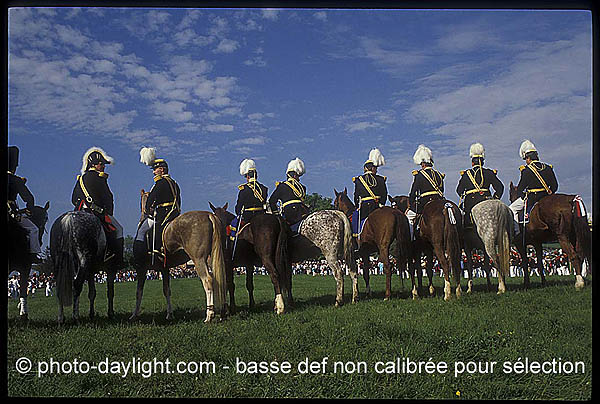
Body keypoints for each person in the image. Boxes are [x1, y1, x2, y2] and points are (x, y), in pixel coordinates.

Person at [72, 146, 124, 268]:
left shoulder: (80, 179)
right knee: (118, 229)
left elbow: (73, 198)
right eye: (101, 164)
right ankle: (115, 258)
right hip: (97, 212)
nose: (103, 166)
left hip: (80, 211)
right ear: (94, 165)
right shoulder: (100, 178)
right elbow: (108, 197)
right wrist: (109, 212)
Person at [135, 147, 181, 264]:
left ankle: (150, 253)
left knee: (142, 230)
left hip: (163, 213)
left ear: (161, 169)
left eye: (155, 169)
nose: (153, 172)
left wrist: (147, 210)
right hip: (174, 212)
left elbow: (151, 198)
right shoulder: (174, 183)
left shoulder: (160, 182)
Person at [509, 139, 558, 235]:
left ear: (528, 158)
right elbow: (555, 186)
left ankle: (517, 232)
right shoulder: (548, 167)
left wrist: (523, 195)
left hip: (532, 198)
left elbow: (520, 188)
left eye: (525, 159)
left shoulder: (526, 170)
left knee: (512, 209)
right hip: (546, 197)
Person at [456, 142, 504, 229]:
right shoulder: (489, 173)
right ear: (482, 162)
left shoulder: (466, 174)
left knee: (463, 222)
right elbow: (500, 187)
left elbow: (459, 191)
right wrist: (495, 198)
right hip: (486, 200)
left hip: (471, 203)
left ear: (472, 163)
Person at [7, 146, 42, 262]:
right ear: (14, 166)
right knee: (33, 229)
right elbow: (29, 198)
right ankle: (33, 255)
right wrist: (29, 209)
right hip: (11, 213)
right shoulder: (16, 180)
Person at [406, 144, 445, 230]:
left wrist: (411, 204)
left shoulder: (419, 175)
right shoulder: (439, 175)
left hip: (424, 202)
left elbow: (413, 192)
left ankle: (411, 240)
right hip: (439, 201)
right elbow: (442, 190)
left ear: (423, 164)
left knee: (409, 217)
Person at [230, 159, 268, 241]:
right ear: (256, 176)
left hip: (248, 217)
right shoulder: (264, 189)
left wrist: (239, 213)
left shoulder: (243, 189)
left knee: (233, 225)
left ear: (247, 176)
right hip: (261, 216)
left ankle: (232, 247)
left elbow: (238, 208)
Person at [269, 157, 308, 229]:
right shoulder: (303, 187)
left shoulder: (281, 186)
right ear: (295, 175)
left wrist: (277, 215)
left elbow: (272, 201)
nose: (299, 179)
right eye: (298, 176)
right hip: (302, 212)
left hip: (289, 213)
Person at [353, 148, 388, 220]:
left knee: (355, 220)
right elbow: (384, 194)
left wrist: (357, 207)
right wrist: (381, 204)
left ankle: (357, 231)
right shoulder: (381, 179)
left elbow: (356, 196)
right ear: (373, 168)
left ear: (365, 168)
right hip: (377, 207)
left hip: (364, 208)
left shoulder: (359, 180)